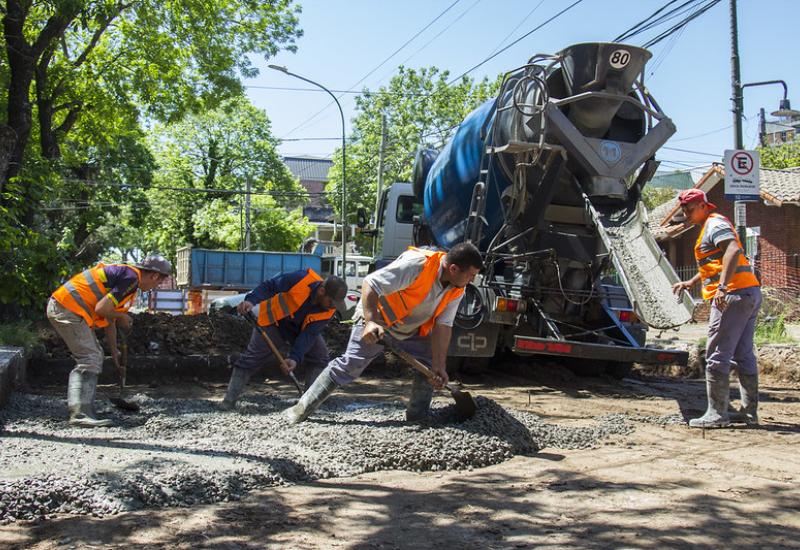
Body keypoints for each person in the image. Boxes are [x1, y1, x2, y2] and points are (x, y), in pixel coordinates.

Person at [284, 242, 483, 424]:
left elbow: (443, 325)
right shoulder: (417, 265)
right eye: (470, 275)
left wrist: (440, 365)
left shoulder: (458, 288)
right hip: (378, 318)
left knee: (430, 365)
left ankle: (418, 418)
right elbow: (371, 283)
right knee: (351, 364)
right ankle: (300, 410)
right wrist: (371, 322)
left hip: (411, 328)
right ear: (453, 269)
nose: (472, 280)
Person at [47, 254, 173, 427]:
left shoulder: (128, 279)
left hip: (67, 307)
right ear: (154, 276)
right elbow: (102, 308)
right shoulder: (130, 278)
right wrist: (122, 316)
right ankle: (80, 414)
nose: (155, 286)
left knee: (94, 354)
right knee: (90, 357)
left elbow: (109, 320)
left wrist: (114, 353)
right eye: (158, 282)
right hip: (67, 309)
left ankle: (83, 410)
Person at [672, 189, 761, 428]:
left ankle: (716, 413)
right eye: (684, 211)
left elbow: (732, 250)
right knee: (743, 354)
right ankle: (749, 412)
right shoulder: (711, 226)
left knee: (716, 355)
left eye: (690, 210)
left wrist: (722, 288)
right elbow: (714, 264)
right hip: (748, 292)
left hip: (731, 297)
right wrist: (691, 282)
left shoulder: (714, 224)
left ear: (703, 205)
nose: (686, 215)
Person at [221, 269, 348, 410]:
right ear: (322, 291)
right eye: (331, 301)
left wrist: (294, 358)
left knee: (320, 356)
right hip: (273, 322)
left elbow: (309, 335)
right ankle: (228, 402)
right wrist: (251, 300)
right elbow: (271, 286)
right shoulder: (301, 279)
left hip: (299, 330)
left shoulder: (329, 310)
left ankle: (308, 404)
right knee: (251, 358)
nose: (333, 306)